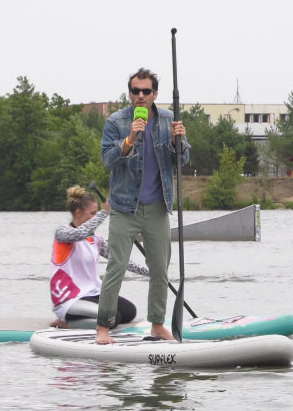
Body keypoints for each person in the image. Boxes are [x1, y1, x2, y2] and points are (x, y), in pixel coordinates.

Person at [98, 68, 189, 344]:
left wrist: (180, 142)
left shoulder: (169, 120)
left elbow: (182, 161)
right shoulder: (117, 121)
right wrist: (129, 139)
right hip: (126, 206)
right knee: (117, 265)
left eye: (146, 91)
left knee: (160, 268)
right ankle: (103, 327)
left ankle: (157, 325)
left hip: (158, 206)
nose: (140, 96)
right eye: (135, 91)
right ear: (130, 93)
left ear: (155, 94)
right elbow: (107, 159)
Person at [49, 186, 142, 329]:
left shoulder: (95, 239)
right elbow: (79, 234)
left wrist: (152, 272)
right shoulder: (62, 233)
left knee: (129, 312)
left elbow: (120, 259)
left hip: (92, 293)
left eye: (97, 212)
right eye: (92, 213)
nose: (95, 216)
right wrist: (104, 212)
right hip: (69, 299)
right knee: (112, 319)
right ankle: (66, 323)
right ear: (78, 213)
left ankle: (88, 319)